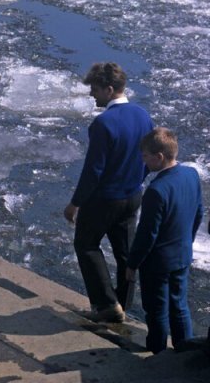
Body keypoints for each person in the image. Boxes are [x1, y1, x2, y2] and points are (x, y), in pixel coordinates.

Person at [63, 62, 154, 323]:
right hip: (132, 197)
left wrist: (75, 204)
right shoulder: (143, 115)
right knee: (125, 253)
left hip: (105, 199)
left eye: (95, 89)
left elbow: (94, 171)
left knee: (86, 245)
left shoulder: (103, 124)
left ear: (109, 89)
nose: (92, 94)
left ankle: (106, 304)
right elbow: (147, 159)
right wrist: (137, 180)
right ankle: (121, 305)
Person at [126, 128, 203, 354]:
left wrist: (133, 264)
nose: (143, 161)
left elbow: (147, 234)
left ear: (159, 156)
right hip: (182, 255)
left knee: (157, 310)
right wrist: (186, 243)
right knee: (179, 306)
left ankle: (157, 355)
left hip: (157, 263)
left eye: (145, 156)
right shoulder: (191, 175)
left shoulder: (156, 191)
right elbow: (198, 213)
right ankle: (185, 353)